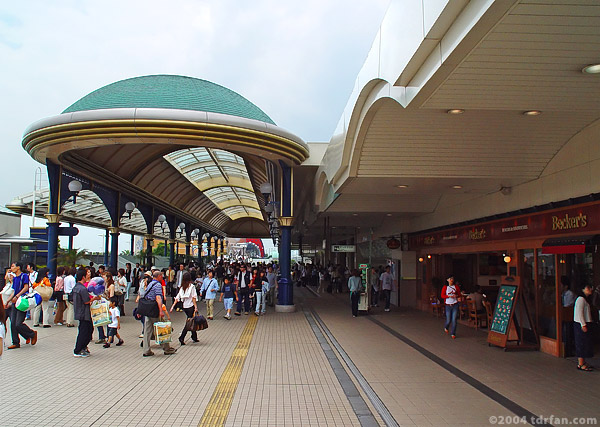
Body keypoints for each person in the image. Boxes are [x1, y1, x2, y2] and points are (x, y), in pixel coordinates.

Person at [142, 270, 177, 357]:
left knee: (147, 330)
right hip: (154, 310)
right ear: (158, 276)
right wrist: (161, 310)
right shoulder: (157, 285)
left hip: (148, 309)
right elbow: (158, 298)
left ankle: (146, 350)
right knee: (161, 328)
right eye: (161, 276)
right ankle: (166, 348)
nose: (163, 277)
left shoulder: (150, 284)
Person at [6, 262, 37, 349]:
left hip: (22, 302)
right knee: (13, 324)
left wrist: (17, 296)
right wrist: (8, 301)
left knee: (18, 323)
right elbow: (13, 291)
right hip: (14, 302)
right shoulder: (15, 278)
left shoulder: (24, 276)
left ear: (18, 267)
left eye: (13, 266)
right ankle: (15, 342)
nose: (11, 268)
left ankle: (31, 334)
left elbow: (26, 287)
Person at [73, 268, 101, 357]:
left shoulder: (76, 287)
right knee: (85, 331)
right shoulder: (82, 288)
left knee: (86, 330)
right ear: (83, 277)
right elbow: (86, 301)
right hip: (84, 313)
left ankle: (83, 347)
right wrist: (95, 298)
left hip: (79, 312)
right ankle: (78, 349)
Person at [170, 271, 199, 345]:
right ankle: (182, 337)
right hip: (190, 306)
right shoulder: (191, 287)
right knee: (189, 322)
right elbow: (193, 298)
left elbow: (177, 297)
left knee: (191, 321)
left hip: (185, 307)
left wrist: (172, 306)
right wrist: (195, 307)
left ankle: (194, 337)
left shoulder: (182, 287)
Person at [574, 284, 594, 371]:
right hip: (581, 324)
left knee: (584, 343)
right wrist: (583, 324)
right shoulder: (580, 299)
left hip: (585, 323)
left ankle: (583, 362)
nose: (590, 290)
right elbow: (580, 313)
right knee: (581, 343)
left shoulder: (585, 299)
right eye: (587, 288)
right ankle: (581, 363)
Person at [442, 275, 462, 339]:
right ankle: (446, 326)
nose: (451, 280)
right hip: (448, 305)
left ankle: (453, 333)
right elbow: (442, 295)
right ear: (447, 280)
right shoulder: (445, 287)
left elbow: (459, 294)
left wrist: (458, 297)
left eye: (452, 279)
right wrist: (449, 296)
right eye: (450, 279)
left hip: (455, 304)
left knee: (454, 319)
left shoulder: (456, 287)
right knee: (448, 319)